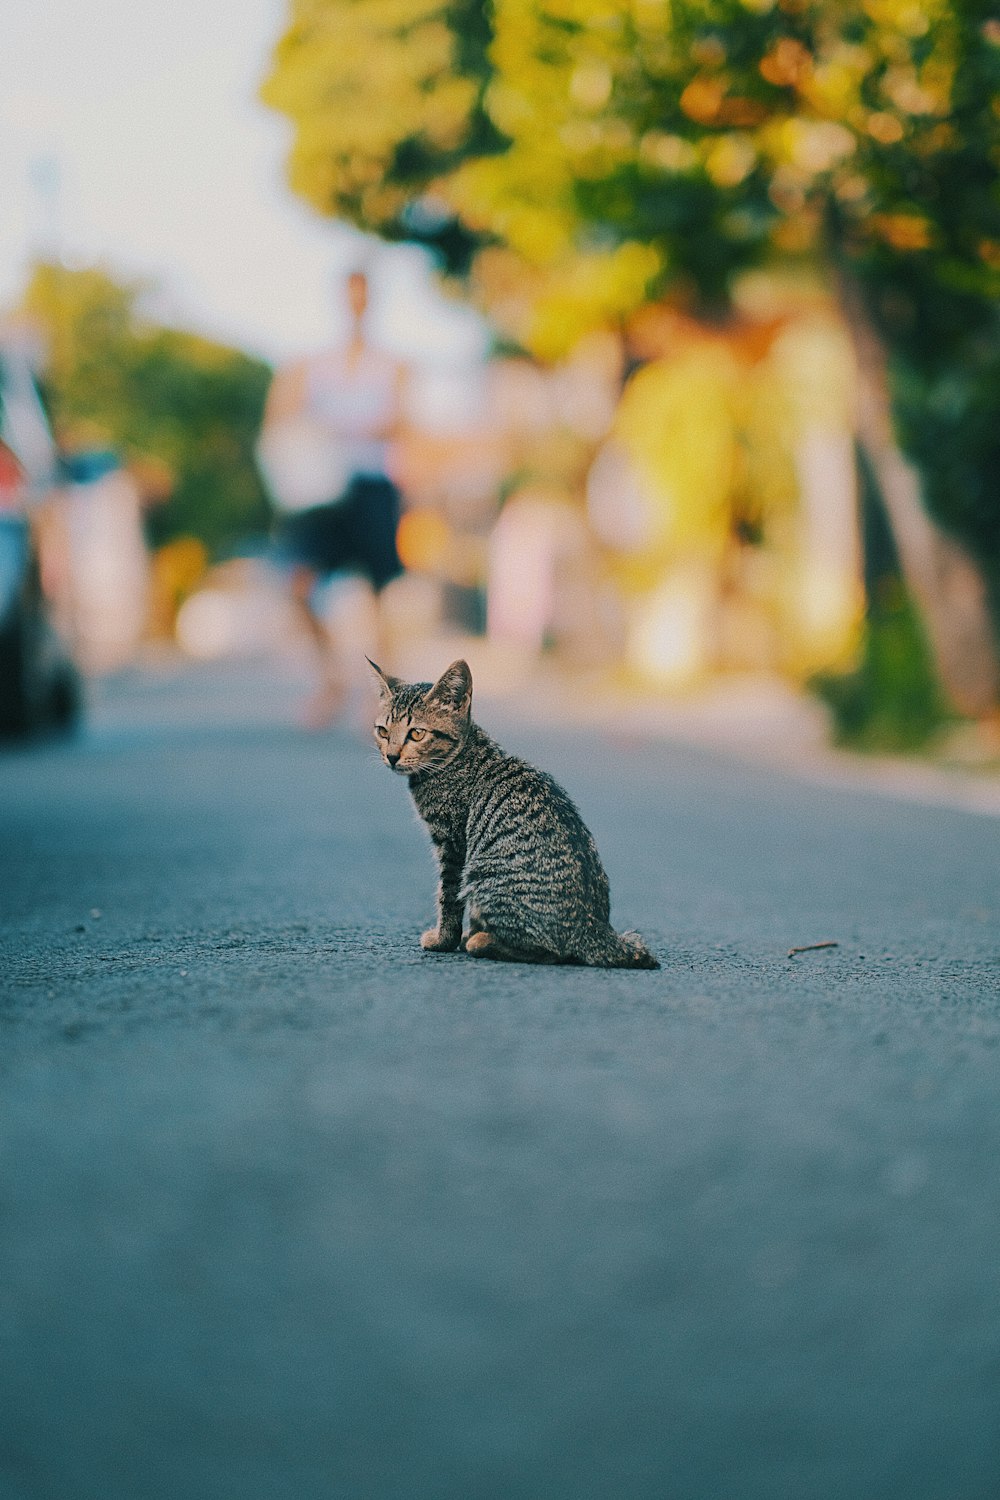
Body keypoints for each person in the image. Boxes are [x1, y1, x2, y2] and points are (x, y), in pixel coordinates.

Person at [259, 269, 407, 727]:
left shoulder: (391, 365)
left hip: (369, 485)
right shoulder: (311, 364)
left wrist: (344, 428)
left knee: (379, 596)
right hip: (319, 491)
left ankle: (385, 700)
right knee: (297, 583)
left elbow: (402, 421)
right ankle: (330, 679)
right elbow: (279, 421)